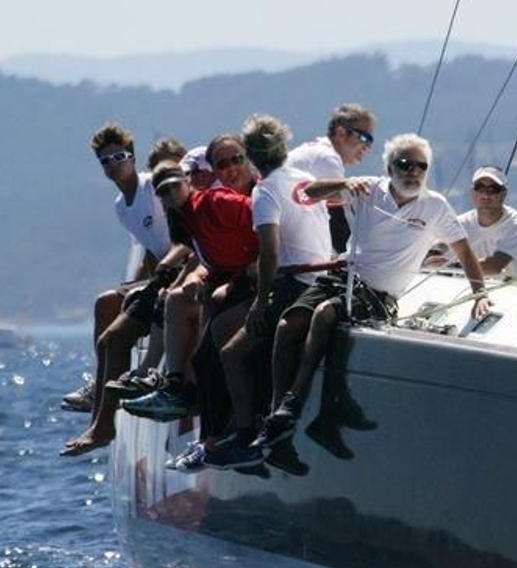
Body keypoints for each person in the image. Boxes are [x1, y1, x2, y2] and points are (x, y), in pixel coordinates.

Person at [251, 133, 491, 459]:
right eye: (404, 165)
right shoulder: (368, 188)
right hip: (344, 278)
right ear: (389, 167)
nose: (413, 172)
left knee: (324, 314)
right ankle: (276, 415)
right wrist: (345, 185)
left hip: (379, 293)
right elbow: (307, 194)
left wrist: (480, 295)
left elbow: (464, 252)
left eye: (420, 166)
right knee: (287, 324)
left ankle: (294, 402)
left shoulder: (435, 206)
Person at [197, 114, 338, 470]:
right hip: (322, 278)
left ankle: (246, 434)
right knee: (226, 330)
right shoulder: (304, 178)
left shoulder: (266, 190)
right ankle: (246, 428)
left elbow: (270, 252)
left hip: (297, 284)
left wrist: (260, 301)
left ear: (251, 155)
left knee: (231, 352)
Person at [124, 135, 258, 422]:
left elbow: (267, 223)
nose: (172, 194)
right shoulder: (185, 219)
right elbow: (207, 258)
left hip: (257, 280)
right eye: (164, 192)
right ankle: (173, 386)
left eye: (176, 186)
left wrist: (258, 263)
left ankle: (235, 426)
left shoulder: (217, 201)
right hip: (231, 280)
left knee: (209, 355)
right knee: (175, 301)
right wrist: (197, 277)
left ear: (187, 182)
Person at [58, 126, 178, 437]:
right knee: (105, 303)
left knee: (120, 326)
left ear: (133, 158)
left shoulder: (153, 187)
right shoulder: (121, 207)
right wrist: (144, 281)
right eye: (105, 160)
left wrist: (163, 276)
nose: (113, 164)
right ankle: (101, 388)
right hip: (162, 272)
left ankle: (131, 384)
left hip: (183, 269)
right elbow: (151, 250)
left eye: (119, 157)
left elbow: (182, 234)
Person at [290, 103, 378, 252]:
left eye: (371, 140)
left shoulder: (314, 151)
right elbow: (338, 219)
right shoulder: (327, 159)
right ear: (341, 133)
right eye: (364, 137)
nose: (368, 146)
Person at [446, 165, 517, 277]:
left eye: (493, 189)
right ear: (472, 192)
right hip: (472, 288)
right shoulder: (460, 223)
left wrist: (450, 266)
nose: (486, 195)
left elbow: (494, 267)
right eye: (480, 188)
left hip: (512, 291)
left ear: (504, 194)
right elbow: (437, 248)